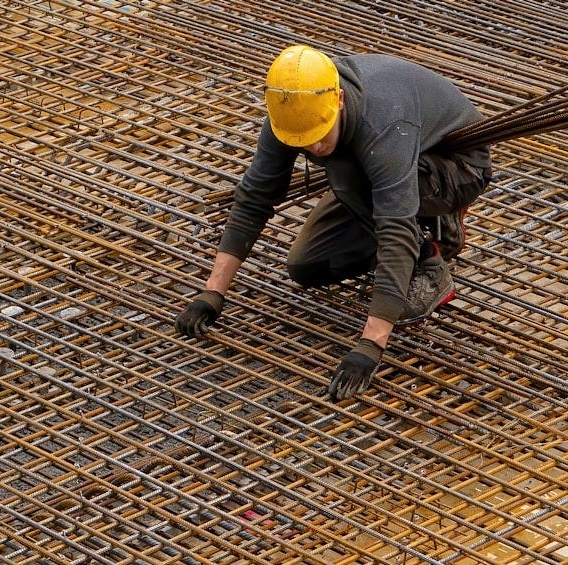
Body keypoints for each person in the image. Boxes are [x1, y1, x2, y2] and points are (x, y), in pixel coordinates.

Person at [175, 45, 493, 401]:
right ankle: (412, 223)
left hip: (454, 167)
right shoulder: (289, 111)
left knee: (345, 169)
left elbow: (394, 227)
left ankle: (429, 257)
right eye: (303, 141)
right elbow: (254, 196)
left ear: (339, 100)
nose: (312, 146)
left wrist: (370, 345)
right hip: (375, 170)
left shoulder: (383, 122)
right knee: (307, 267)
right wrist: (212, 292)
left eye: (319, 133)